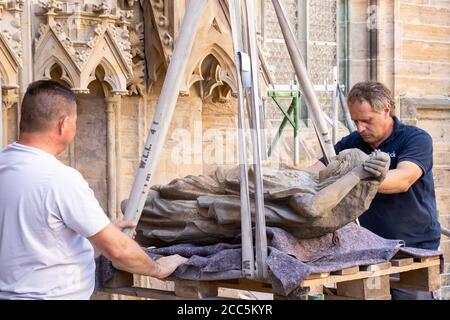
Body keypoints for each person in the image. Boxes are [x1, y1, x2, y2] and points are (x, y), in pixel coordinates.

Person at [0, 80, 187, 300]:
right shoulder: (59, 179)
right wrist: (158, 268)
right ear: (63, 124)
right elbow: (118, 251)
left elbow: (31, 233)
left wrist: (101, 229)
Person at [308, 81, 441, 299]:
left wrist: (354, 176)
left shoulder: (415, 139)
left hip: (412, 249)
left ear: (386, 110)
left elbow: (403, 179)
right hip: (366, 248)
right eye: (355, 121)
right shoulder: (351, 143)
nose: (359, 128)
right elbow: (316, 173)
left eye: (366, 120)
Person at [133, 148, 390, 246]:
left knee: (152, 209)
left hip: (217, 202)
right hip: (222, 183)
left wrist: (359, 175)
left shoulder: (311, 192)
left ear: (343, 174)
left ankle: (142, 220)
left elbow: (313, 208)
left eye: (339, 160)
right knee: (162, 192)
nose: (331, 160)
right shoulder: (309, 179)